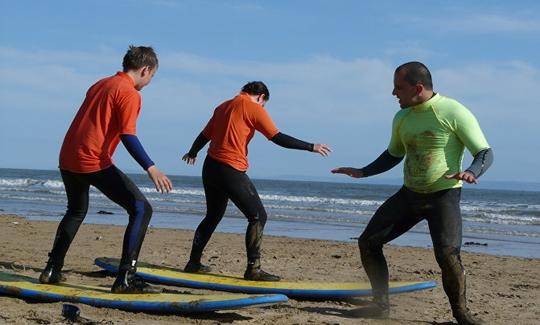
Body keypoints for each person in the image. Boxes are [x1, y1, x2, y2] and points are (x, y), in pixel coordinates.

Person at [332, 62, 493, 325]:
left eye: (398, 88)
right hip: (410, 195)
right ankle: (380, 306)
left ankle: (462, 316)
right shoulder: (402, 117)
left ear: (418, 88)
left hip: (443, 196)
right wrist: (363, 172)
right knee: (369, 242)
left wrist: (472, 171)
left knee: (447, 255)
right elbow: (394, 153)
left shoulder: (452, 111)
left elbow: (484, 152)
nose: (394, 94)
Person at [39, 45, 173, 294]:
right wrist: (150, 167)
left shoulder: (101, 83)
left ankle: (51, 269)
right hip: (92, 160)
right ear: (145, 69)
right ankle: (125, 278)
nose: (150, 82)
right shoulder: (130, 93)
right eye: (152, 76)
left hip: (68, 156)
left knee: (76, 210)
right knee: (141, 209)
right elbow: (128, 135)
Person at [181, 81, 331, 281]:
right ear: (261, 97)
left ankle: (193, 263)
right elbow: (276, 137)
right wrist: (311, 146)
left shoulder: (223, 106)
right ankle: (253, 269)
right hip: (230, 168)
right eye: (264, 104)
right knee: (258, 216)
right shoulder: (253, 107)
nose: (263, 108)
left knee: (213, 215)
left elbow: (204, 135)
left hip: (210, 167)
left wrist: (192, 152)